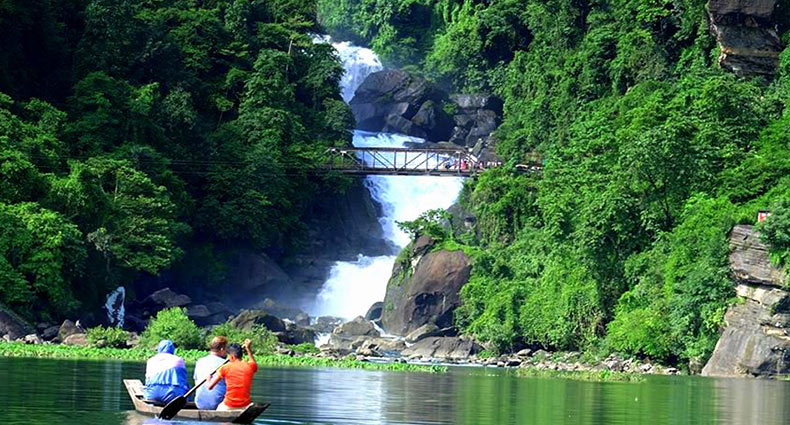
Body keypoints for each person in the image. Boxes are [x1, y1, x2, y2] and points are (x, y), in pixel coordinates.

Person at [207, 339, 258, 411]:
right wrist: (248, 348)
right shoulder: (251, 366)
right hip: (246, 405)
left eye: (229, 356)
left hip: (229, 405)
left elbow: (210, 387)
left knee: (218, 409)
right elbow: (252, 361)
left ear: (232, 356)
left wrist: (208, 379)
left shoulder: (225, 368)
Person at [144, 339, 189, 404]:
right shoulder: (179, 360)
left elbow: (147, 380)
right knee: (186, 387)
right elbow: (183, 381)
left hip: (152, 394)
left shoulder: (151, 360)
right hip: (173, 395)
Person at [194, 336, 228, 410]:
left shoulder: (199, 361)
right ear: (222, 349)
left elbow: (196, 382)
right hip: (218, 404)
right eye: (226, 349)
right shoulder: (226, 364)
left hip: (199, 403)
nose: (227, 351)